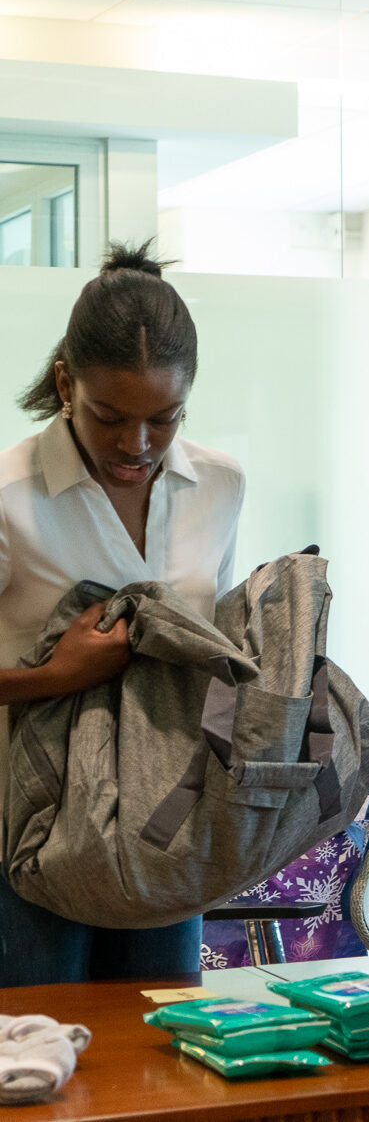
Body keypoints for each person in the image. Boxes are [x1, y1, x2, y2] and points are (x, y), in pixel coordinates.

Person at [0, 243, 245, 987]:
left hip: (168, 832)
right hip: (33, 838)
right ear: (65, 383)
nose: (135, 445)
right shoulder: (10, 496)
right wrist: (56, 677)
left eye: (163, 419)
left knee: (165, 1058)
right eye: (109, 416)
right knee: (39, 1078)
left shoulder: (220, 486)